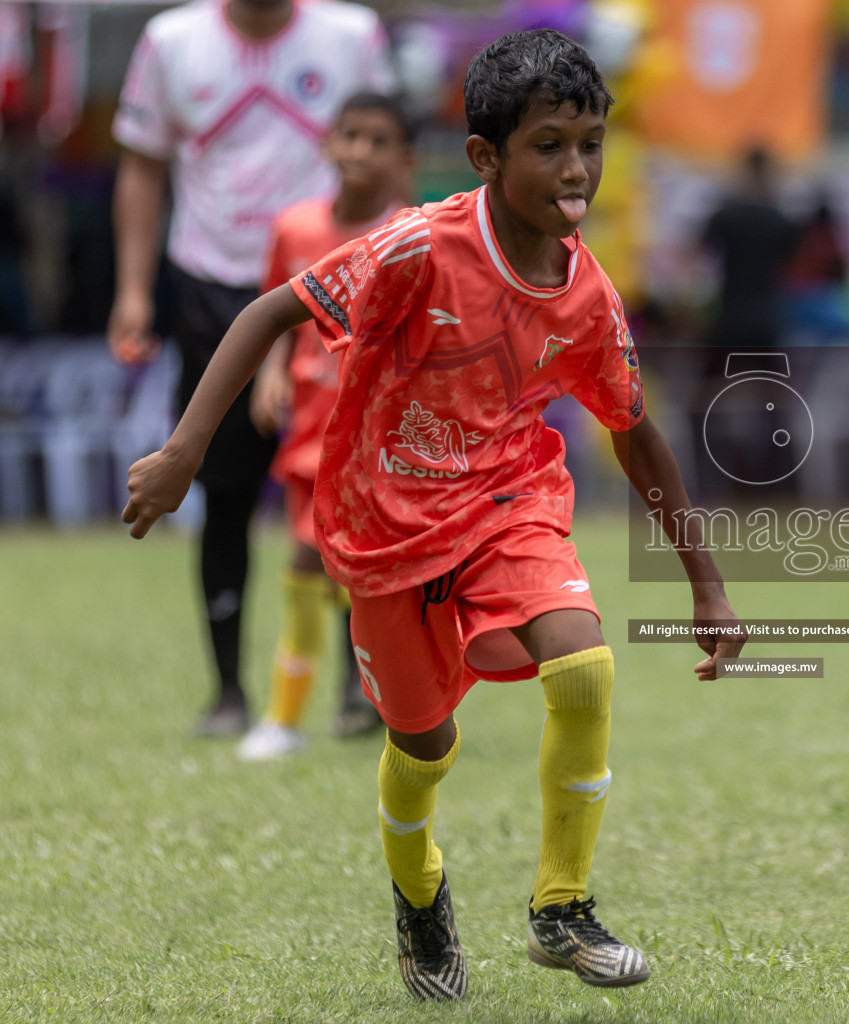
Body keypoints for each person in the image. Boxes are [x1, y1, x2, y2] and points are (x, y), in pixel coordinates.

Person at [122, 30, 743, 995]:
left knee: (582, 662)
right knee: (423, 748)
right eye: (549, 145)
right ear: (485, 157)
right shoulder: (417, 245)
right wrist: (183, 453)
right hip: (384, 530)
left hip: (509, 505)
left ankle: (561, 907)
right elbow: (266, 315)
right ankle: (420, 899)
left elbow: (634, 430)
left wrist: (706, 584)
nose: (575, 168)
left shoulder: (587, 294)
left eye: (589, 141)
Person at [110, 0, 395, 736]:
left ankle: (358, 691)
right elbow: (142, 167)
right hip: (214, 284)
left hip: (338, 289)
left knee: (356, 499)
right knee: (225, 491)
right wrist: (135, 290)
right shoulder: (170, 40)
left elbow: (394, 155)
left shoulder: (352, 35)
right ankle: (229, 690)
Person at [236, 93, 415, 761]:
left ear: (404, 158)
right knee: (310, 562)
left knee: (356, 574)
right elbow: (275, 311)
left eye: (378, 140)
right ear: (327, 144)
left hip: (385, 438)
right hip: (312, 428)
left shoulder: (414, 234)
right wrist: (271, 370)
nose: (361, 152)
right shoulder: (295, 227)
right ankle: (291, 715)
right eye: (351, 136)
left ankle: (361, 703)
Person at [700, 146, 799, 348]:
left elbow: (703, 248)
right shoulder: (778, 219)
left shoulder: (727, 214)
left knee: (722, 376)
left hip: (732, 311)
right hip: (766, 312)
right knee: (771, 377)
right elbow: (792, 260)